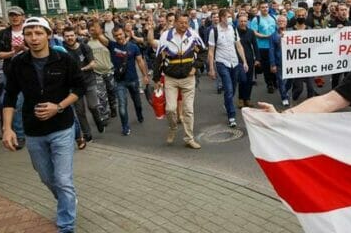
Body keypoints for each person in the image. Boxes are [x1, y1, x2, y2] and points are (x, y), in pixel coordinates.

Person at [2, 17, 85, 233]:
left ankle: (66, 225)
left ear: (48, 35)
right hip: (34, 131)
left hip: (62, 128)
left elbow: (79, 88)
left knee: (63, 179)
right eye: (29, 34)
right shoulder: (18, 63)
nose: (34, 38)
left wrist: (58, 107)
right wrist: (8, 128)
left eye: (39, 33)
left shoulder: (64, 60)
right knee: (47, 178)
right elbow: (10, 97)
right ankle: (68, 200)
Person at [153, 12, 206, 148]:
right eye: (181, 23)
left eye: (186, 23)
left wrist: (196, 67)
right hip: (171, 78)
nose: (184, 25)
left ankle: (189, 138)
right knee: (170, 109)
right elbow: (158, 58)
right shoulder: (166, 36)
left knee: (188, 110)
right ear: (175, 22)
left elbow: (203, 52)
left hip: (188, 78)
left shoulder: (193, 35)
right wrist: (157, 78)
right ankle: (173, 127)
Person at [98, 26, 149, 136]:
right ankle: (125, 127)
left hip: (133, 80)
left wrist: (145, 75)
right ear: (114, 36)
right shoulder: (112, 45)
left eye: (120, 34)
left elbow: (140, 61)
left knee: (138, 103)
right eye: (116, 36)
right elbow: (99, 35)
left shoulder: (134, 47)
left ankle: (139, 115)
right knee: (122, 105)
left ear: (124, 33)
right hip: (119, 81)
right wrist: (96, 22)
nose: (119, 37)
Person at [62, 26, 105, 142]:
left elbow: (93, 63)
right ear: (63, 37)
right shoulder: (63, 50)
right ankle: (87, 134)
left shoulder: (84, 47)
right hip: (74, 86)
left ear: (75, 36)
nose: (70, 38)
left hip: (89, 80)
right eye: (67, 36)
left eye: (71, 35)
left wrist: (83, 69)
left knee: (93, 106)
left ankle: (98, 121)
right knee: (80, 111)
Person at [208, 9, 248, 128]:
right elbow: (211, 51)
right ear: (221, 18)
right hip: (222, 62)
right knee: (229, 89)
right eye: (227, 17)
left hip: (234, 62)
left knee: (233, 88)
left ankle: (227, 102)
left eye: (231, 16)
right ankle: (231, 116)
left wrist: (244, 61)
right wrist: (211, 68)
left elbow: (239, 46)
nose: (230, 19)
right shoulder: (214, 31)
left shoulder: (233, 29)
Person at [0, 5, 27, 150]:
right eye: (12, 15)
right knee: (11, 102)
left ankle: (24, 131)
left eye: (17, 15)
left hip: (30, 69)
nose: (14, 17)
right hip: (11, 71)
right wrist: (14, 52)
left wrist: (24, 49)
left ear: (22, 16)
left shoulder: (29, 30)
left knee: (24, 102)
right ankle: (19, 134)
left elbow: (40, 48)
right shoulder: (4, 34)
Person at [249, 2, 277, 93]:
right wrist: (265, 36)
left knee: (274, 64)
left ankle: (275, 81)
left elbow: (278, 30)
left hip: (274, 45)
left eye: (266, 7)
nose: (265, 9)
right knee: (266, 66)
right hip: (262, 46)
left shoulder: (274, 18)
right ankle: (269, 83)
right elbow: (254, 33)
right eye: (263, 7)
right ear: (259, 8)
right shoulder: (256, 19)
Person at [236, 13, 260, 108]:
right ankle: (241, 99)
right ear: (238, 22)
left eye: (245, 21)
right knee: (242, 80)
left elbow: (255, 46)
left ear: (247, 22)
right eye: (241, 21)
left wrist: (257, 58)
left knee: (249, 80)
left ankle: (247, 99)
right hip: (239, 59)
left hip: (250, 59)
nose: (243, 23)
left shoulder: (251, 32)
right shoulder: (234, 32)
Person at [268, 15, 290, 106]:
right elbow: (271, 50)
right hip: (279, 61)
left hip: (291, 61)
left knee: (289, 81)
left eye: (283, 21)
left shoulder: (293, 33)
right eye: (279, 21)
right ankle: (284, 97)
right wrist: (272, 64)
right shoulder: (273, 36)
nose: (281, 23)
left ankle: (286, 91)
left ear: (286, 23)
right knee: (281, 80)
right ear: (277, 23)